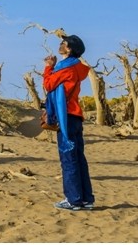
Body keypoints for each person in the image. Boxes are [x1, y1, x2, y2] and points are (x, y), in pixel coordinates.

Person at [42, 34, 95, 211]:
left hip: (66, 117)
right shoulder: (75, 67)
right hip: (75, 116)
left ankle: (73, 200)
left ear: (69, 49)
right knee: (79, 158)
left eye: (63, 43)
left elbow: (49, 85)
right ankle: (86, 199)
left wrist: (48, 68)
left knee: (69, 159)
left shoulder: (67, 68)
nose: (60, 45)